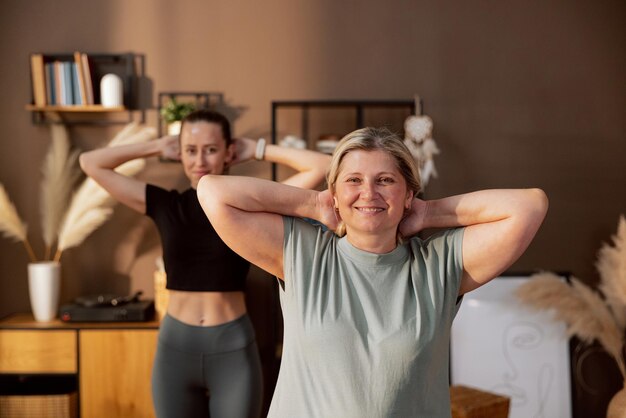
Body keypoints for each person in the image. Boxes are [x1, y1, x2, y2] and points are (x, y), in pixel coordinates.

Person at [197, 126, 549, 417]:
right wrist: (315, 204)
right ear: (334, 192)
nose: (368, 193)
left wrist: (428, 214)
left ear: (408, 194)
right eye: (353, 180)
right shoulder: (304, 255)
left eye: (385, 181)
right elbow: (212, 191)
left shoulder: (439, 265)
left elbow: (529, 205)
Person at [79, 109, 331, 418]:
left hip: (233, 349)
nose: (200, 161)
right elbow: (90, 163)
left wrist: (258, 149)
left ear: (229, 153)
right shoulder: (165, 205)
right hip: (174, 350)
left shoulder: (249, 208)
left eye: (211, 150)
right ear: (179, 154)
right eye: (190, 150)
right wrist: (158, 146)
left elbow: (323, 165)